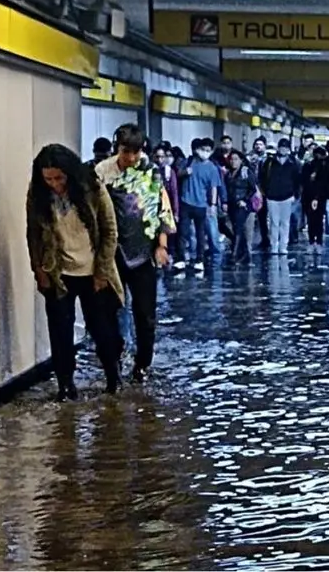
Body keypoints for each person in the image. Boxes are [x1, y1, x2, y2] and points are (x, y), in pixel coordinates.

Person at [26, 144, 124, 399]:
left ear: (69, 173)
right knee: (60, 333)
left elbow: (110, 231)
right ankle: (66, 385)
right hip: (58, 273)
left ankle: (113, 377)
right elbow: (33, 235)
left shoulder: (92, 188)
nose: (54, 184)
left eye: (59, 178)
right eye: (48, 179)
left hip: (94, 272)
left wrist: (102, 271)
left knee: (102, 330)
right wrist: (39, 270)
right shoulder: (38, 195)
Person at [95, 124, 175, 382]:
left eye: (135, 152)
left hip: (144, 250)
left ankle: (142, 364)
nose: (130, 157)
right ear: (117, 148)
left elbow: (162, 208)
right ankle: (114, 357)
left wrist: (162, 244)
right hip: (111, 252)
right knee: (110, 310)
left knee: (145, 313)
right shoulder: (103, 172)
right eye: (125, 151)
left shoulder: (150, 171)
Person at [173, 138, 218, 272]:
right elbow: (177, 174)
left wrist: (213, 205)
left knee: (200, 233)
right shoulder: (189, 162)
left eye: (208, 150)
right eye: (203, 149)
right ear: (198, 150)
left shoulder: (212, 168)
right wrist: (185, 172)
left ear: (211, 151)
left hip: (201, 205)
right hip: (186, 202)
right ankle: (181, 259)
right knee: (182, 232)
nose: (205, 152)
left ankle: (199, 260)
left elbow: (214, 187)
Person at [259, 138, 300, 255]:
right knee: (274, 223)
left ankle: (283, 246)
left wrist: (295, 194)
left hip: (287, 196)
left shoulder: (294, 163)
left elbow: (297, 179)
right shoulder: (269, 162)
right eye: (282, 147)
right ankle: (274, 246)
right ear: (278, 148)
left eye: (285, 147)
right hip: (272, 197)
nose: (283, 149)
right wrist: (265, 192)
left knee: (285, 223)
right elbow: (262, 178)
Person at [224, 150, 258, 265]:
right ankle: (244, 253)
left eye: (236, 159)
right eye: (231, 159)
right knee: (235, 228)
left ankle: (235, 254)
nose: (233, 162)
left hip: (243, 205)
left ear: (241, 160)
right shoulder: (228, 173)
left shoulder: (245, 172)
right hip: (232, 204)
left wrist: (245, 200)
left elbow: (252, 188)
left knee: (239, 228)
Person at [301, 147, 328, 254]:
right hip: (310, 196)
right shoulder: (308, 166)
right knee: (313, 220)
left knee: (316, 220)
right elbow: (304, 181)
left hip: (319, 197)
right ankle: (314, 242)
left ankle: (316, 242)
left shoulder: (324, 167)